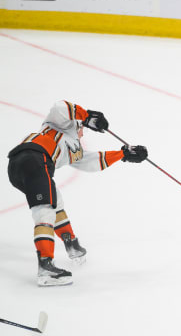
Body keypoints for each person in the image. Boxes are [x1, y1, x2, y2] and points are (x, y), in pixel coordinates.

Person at [7, 100, 148, 286]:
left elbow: (93, 162)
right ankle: (45, 267)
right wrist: (87, 115)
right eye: (83, 128)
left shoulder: (74, 149)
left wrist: (123, 155)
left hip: (23, 167)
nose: (83, 132)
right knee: (45, 211)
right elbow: (60, 107)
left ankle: (71, 244)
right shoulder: (57, 124)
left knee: (55, 200)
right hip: (33, 158)